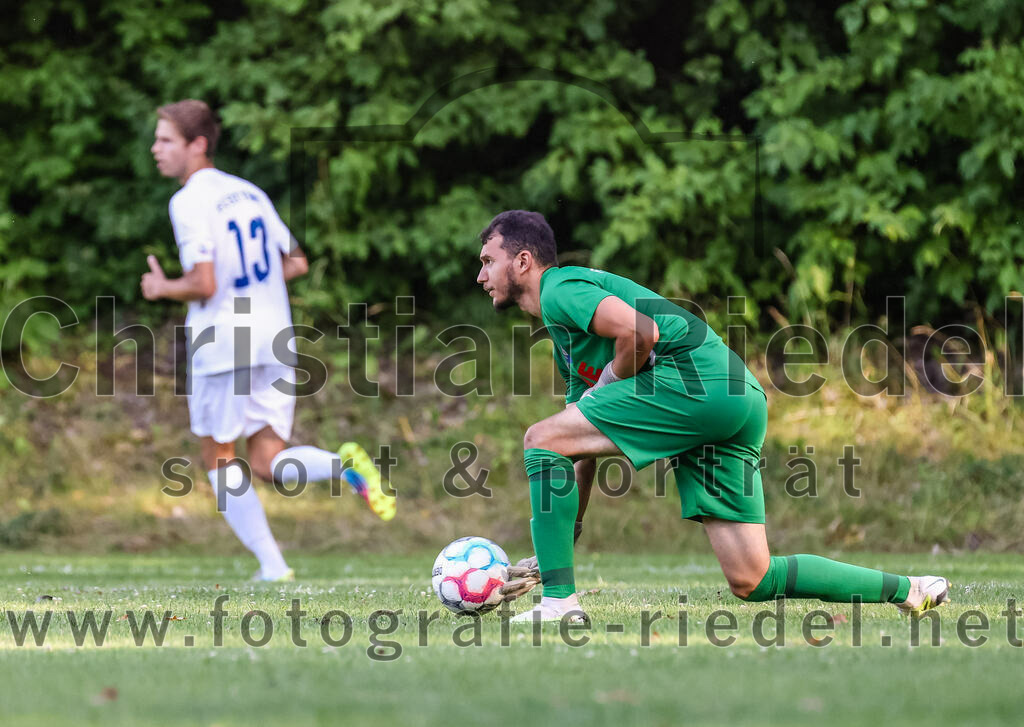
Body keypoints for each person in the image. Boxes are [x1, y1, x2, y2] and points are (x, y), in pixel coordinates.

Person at [477, 210, 950, 623]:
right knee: (753, 578)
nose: (481, 276)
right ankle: (910, 588)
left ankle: (560, 603)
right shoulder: (566, 341)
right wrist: (562, 541)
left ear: (522, 261)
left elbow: (641, 331)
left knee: (537, 437)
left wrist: (609, 382)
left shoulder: (560, 287)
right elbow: (575, 447)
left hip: (695, 382)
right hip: (735, 395)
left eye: (487, 261)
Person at [142, 99, 395, 581]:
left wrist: (161, 288)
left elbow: (204, 284)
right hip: (275, 335)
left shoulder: (188, 200)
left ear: (197, 145)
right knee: (266, 459)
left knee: (218, 454)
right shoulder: (248, 193)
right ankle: (343, 466)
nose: (156, 149)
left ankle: (273, 565)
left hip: (225, 340)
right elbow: (296, 261)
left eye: (165, 140)